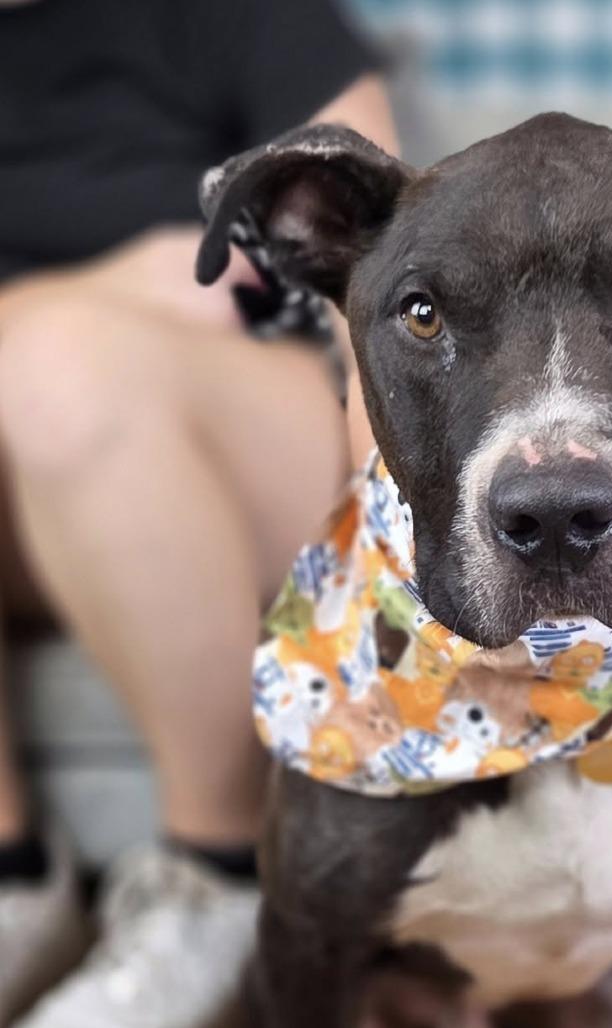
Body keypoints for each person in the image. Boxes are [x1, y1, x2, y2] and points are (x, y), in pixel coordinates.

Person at [0, 0, 392, 1024]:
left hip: (241, 438)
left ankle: (221, 876)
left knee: (54, 360)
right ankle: (8, 879)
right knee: (37, 345)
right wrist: (102, 289)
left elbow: (393, 266)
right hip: (29, 469)